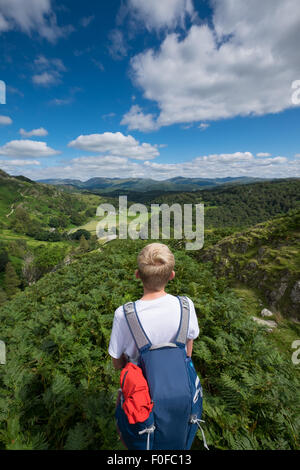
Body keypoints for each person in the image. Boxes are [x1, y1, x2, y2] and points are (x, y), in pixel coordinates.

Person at [108, 242, 199, 371]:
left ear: (137, 275)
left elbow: (117, 362)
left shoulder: (123, 314)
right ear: (171, 275)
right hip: (179, 382)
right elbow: (188, 351)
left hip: (140, 388)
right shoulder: (186, 305)